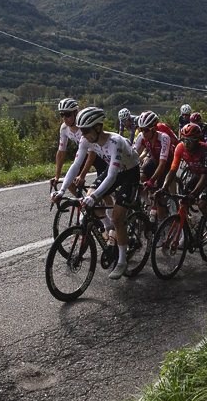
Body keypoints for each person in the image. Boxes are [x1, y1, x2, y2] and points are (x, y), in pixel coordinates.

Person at [53, 107, 141, 280]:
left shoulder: (116, 141)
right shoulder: (86, 140)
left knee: (117, 217)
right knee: (89, 198)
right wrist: (62, 190)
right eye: (81, 130)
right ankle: (108, 229)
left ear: (98, 127)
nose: (82, 134)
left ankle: (122, 261)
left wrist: (94, 197)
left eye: (85, 130)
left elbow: (112, 176)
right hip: (112, 171)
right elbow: (76, 165)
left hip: (129, 173)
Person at [163, 123, 207, 221]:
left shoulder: (205, 150)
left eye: (190, 141)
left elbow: (205, 178)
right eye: (184, 140)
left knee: (202, 205)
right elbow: (172, 171)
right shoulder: (180, 148)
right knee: (183, 201)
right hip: (198, 175)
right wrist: (164, 188)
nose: (186, 144)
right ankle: (187, 225)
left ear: (197, 141)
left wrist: (193, 194)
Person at [53, 97, 82, 183]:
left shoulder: (84, 127)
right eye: (62, 114)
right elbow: (61, 152)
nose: (64, 118)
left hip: (98, 154)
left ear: (76, 113)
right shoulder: (64, 128)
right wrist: (57, 176)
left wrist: (82, 175)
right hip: (83, 154)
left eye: (68, 114)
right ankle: (80, 197)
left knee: (101, 189)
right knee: (68, 181)